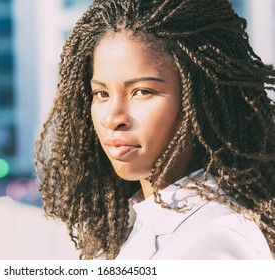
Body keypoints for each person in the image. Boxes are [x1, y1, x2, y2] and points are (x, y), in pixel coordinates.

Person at [34, 0, 275, 260]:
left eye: (142, 92)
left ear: (202, 101)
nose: (112, 118)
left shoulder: (213, 242)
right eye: (101, 93)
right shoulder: (142, 224)